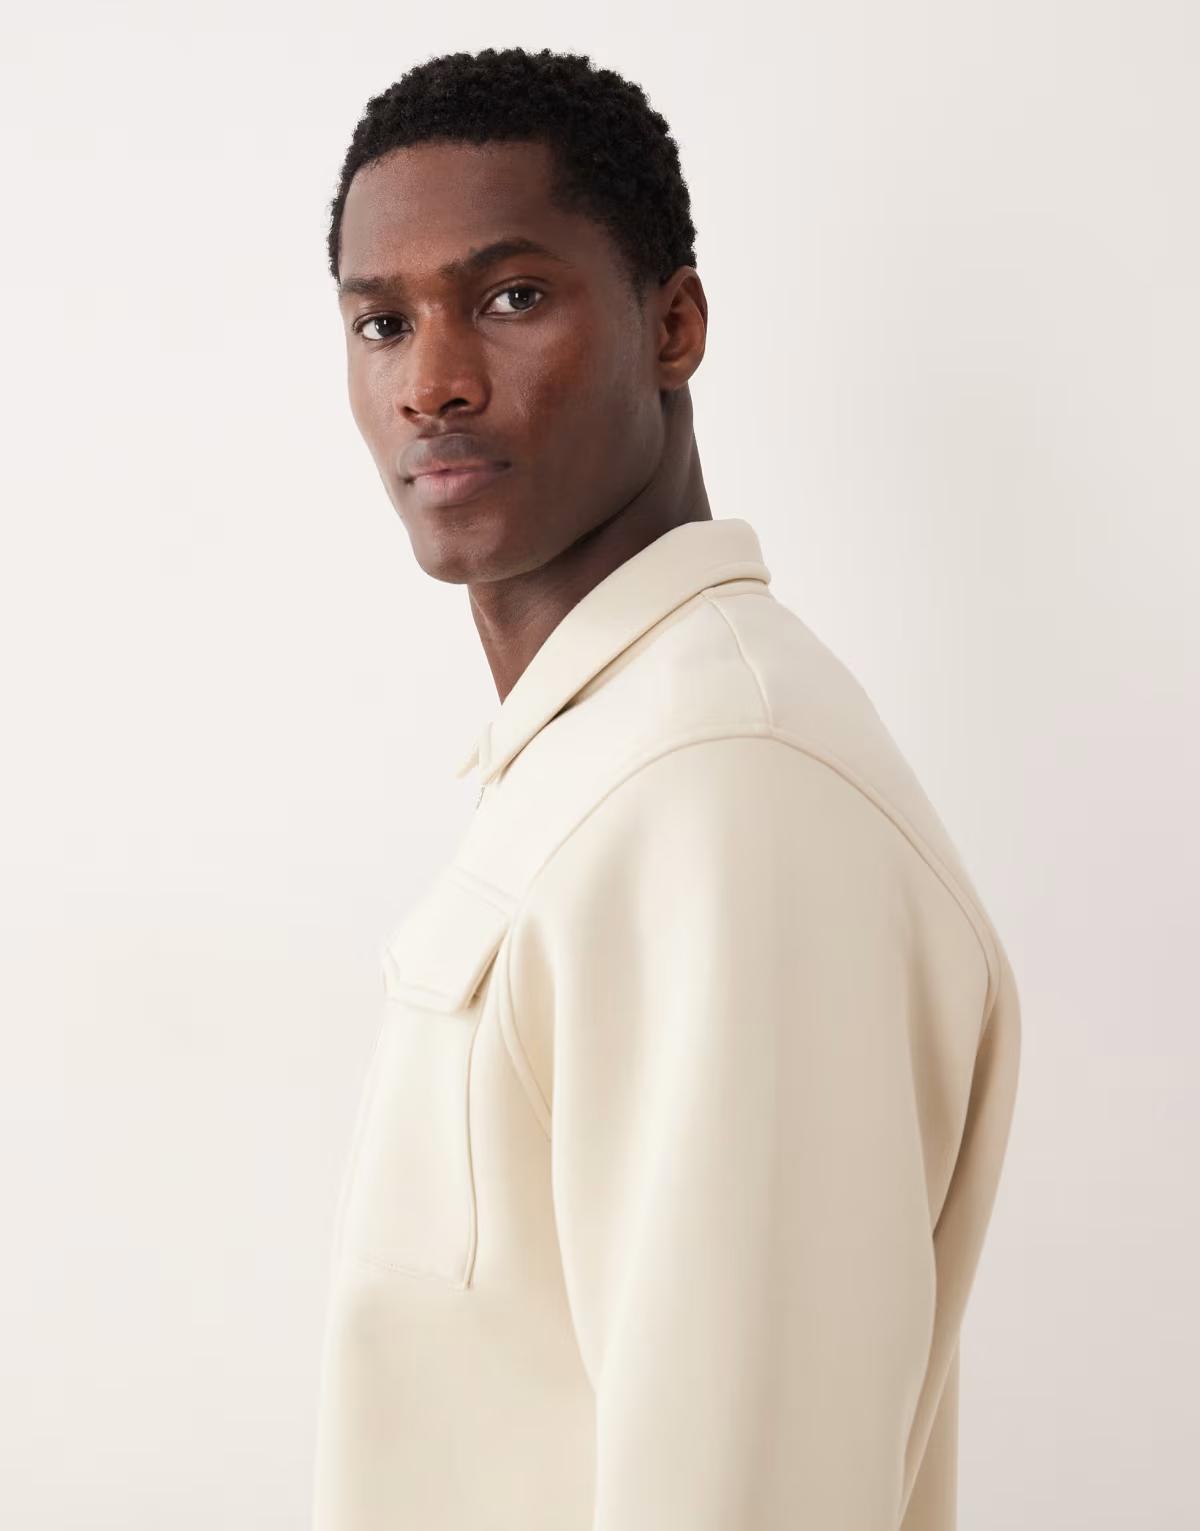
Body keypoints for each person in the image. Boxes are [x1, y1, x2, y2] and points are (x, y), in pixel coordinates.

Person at [311, 45, 1021, 1531]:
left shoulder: (724, 797)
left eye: (513, 297)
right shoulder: (611, 759)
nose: (433, 383)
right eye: (384, 324)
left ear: (674, 325)